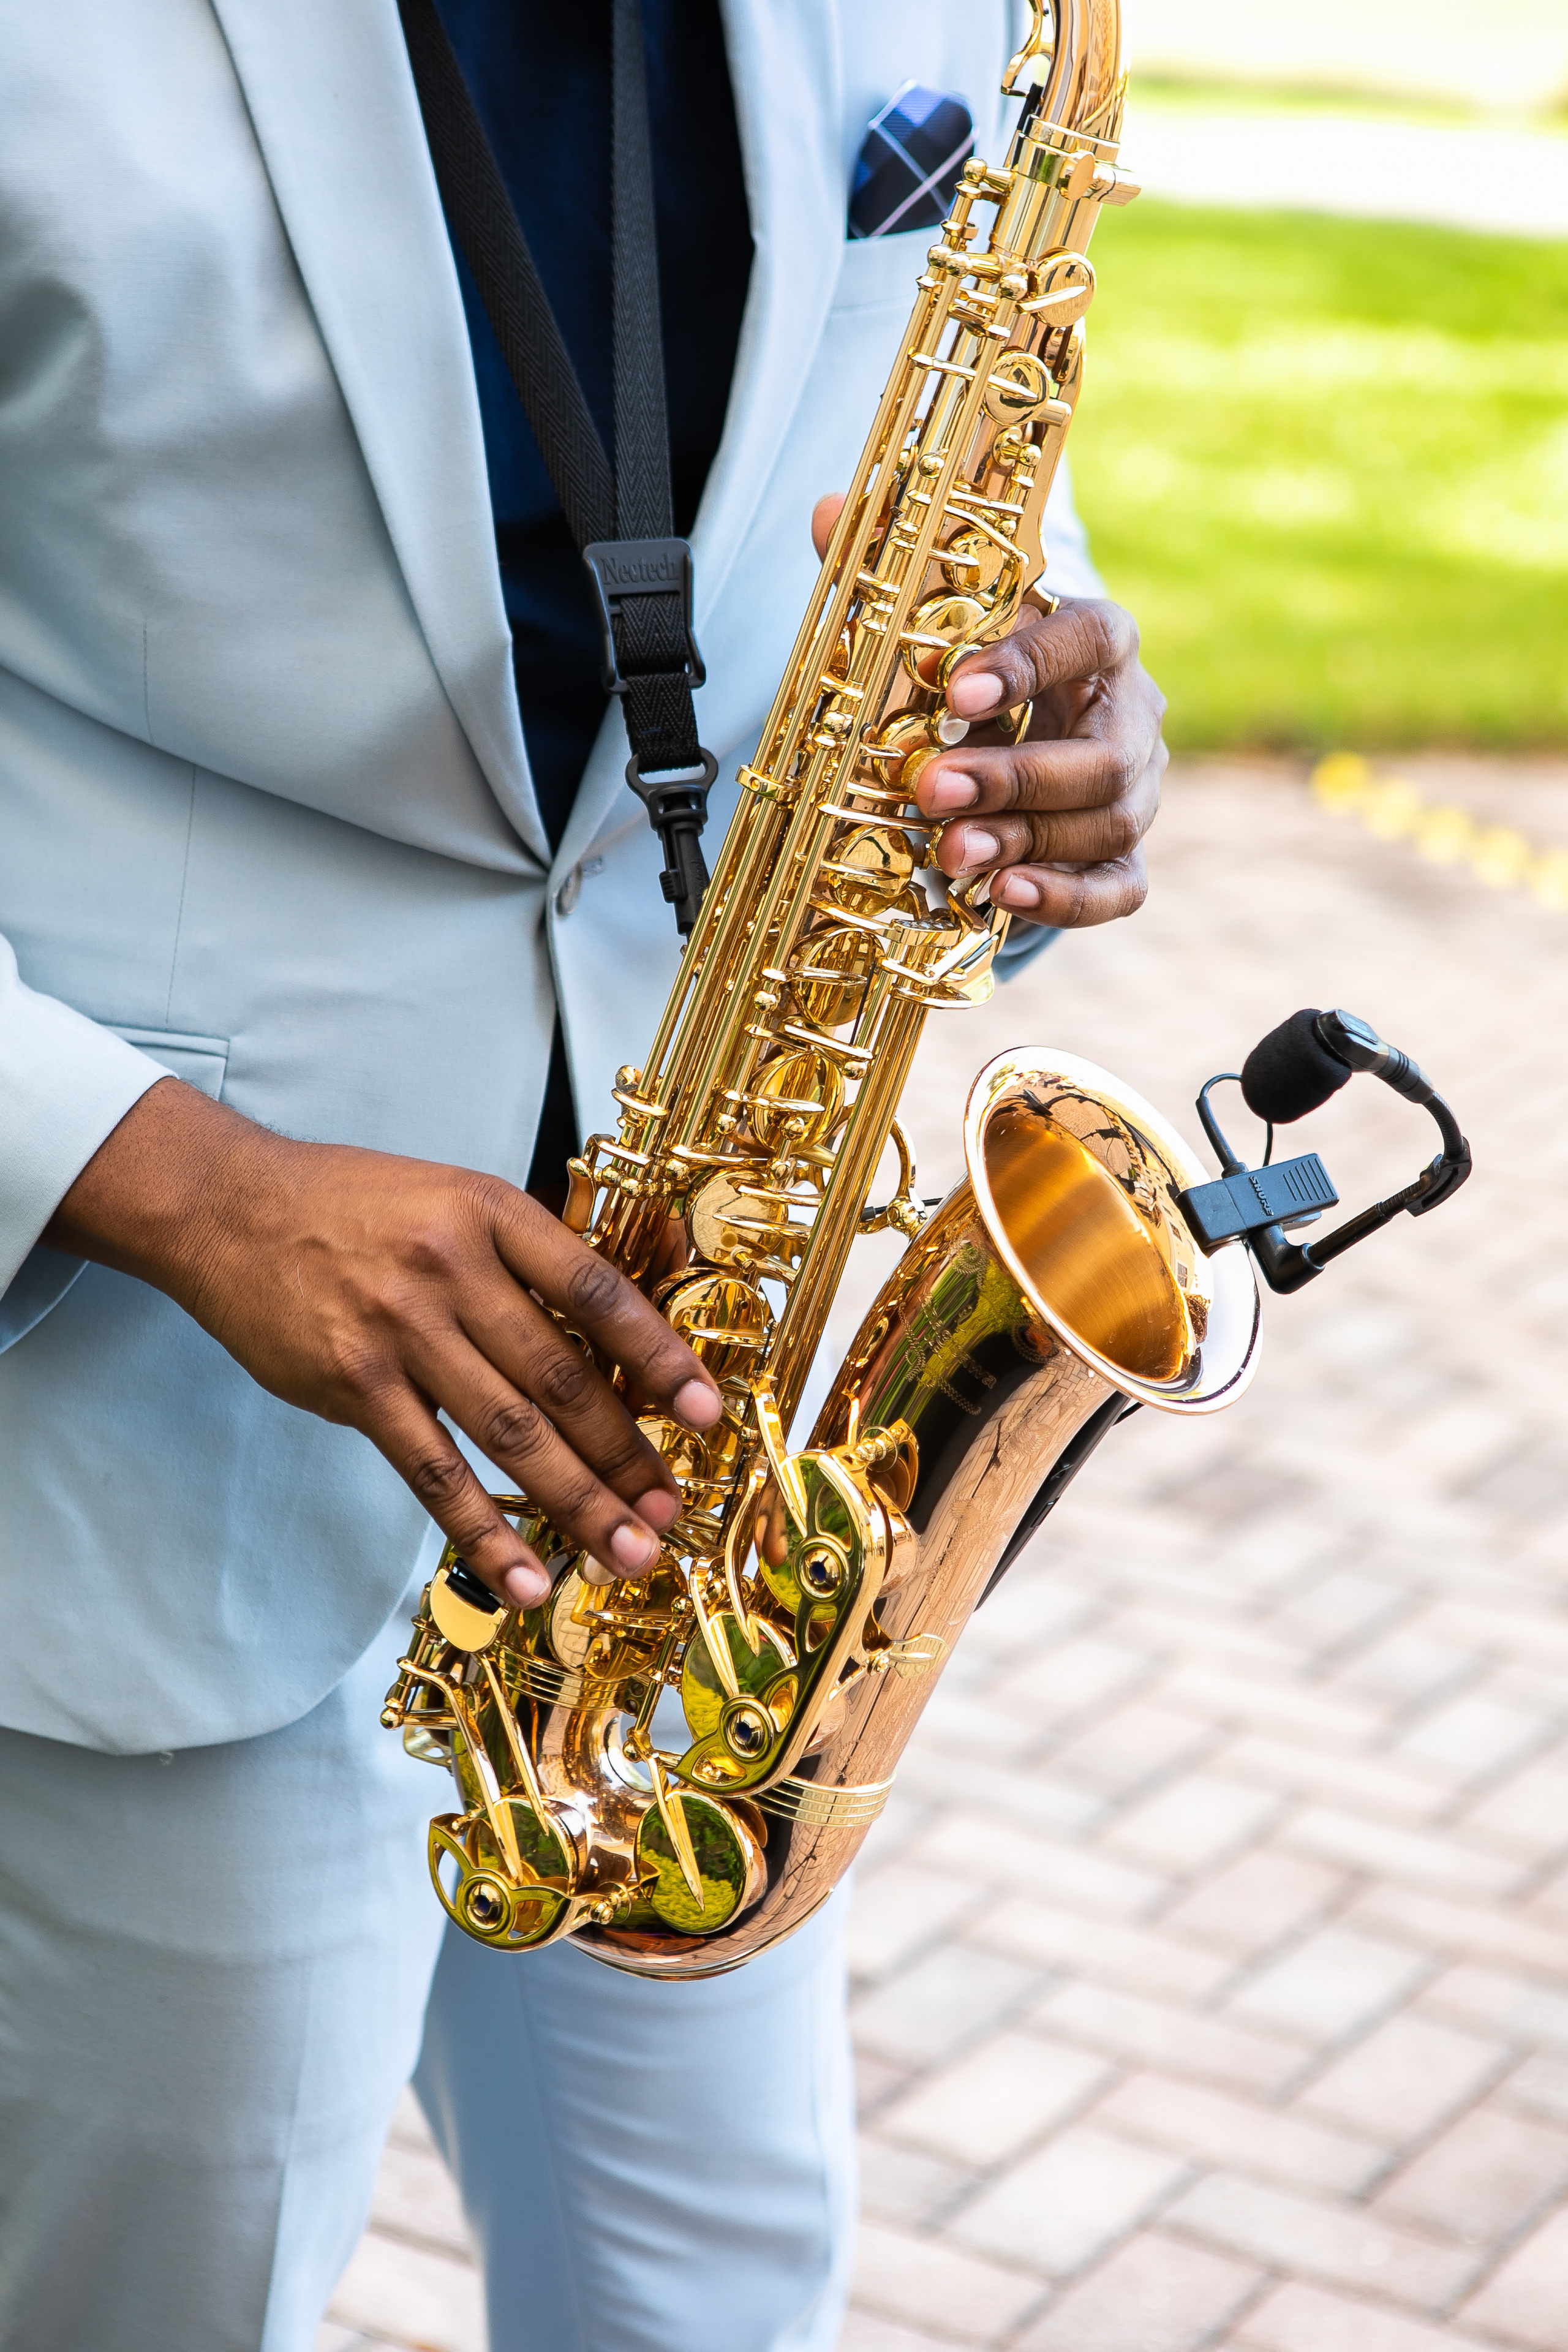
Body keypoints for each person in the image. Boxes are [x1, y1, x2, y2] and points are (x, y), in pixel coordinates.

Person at [0, 4, 1166, 2348]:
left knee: (712, 2294)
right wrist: (172, 1180)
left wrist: (1050, 727)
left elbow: (909, 489)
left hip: (684, 1460)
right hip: (145, 1431)